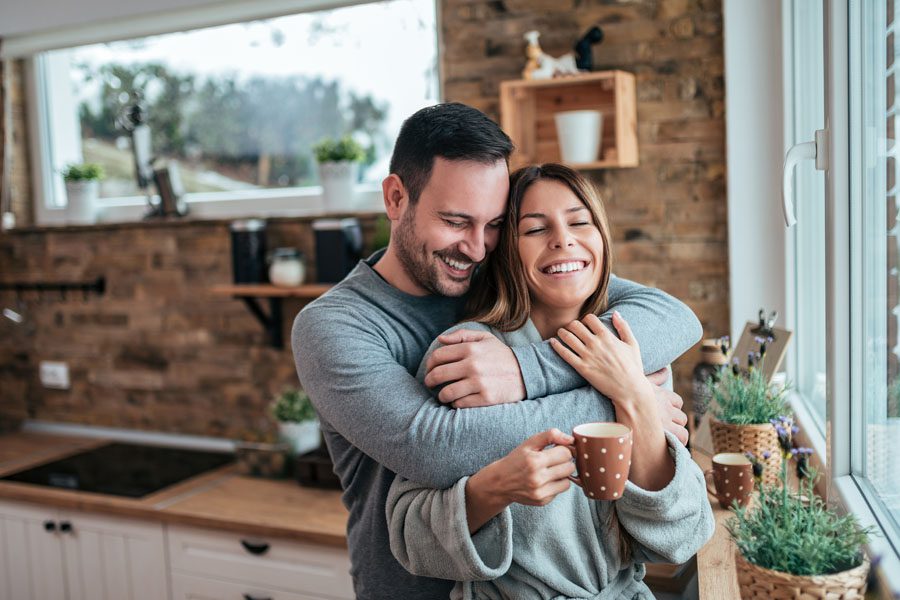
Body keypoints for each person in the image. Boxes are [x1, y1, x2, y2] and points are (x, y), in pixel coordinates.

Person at [291, 102, 703, 600]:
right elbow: (434, 445)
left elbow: (672, 316)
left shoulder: (503, 270)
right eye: (455, 220)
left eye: (494, 225)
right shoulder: (334, 325)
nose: (477, 247)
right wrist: (628, 402)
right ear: (396, 197)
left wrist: (527, 370)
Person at [386, 164, 714, 599]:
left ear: (601, 240)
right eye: (536, 229)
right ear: (507, 252)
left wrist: (632, 394)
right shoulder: (468, 358)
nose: (563, 239)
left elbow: (682, 537)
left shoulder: (631, 355)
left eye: (580, 222)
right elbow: (410, 536)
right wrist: (494, 489)